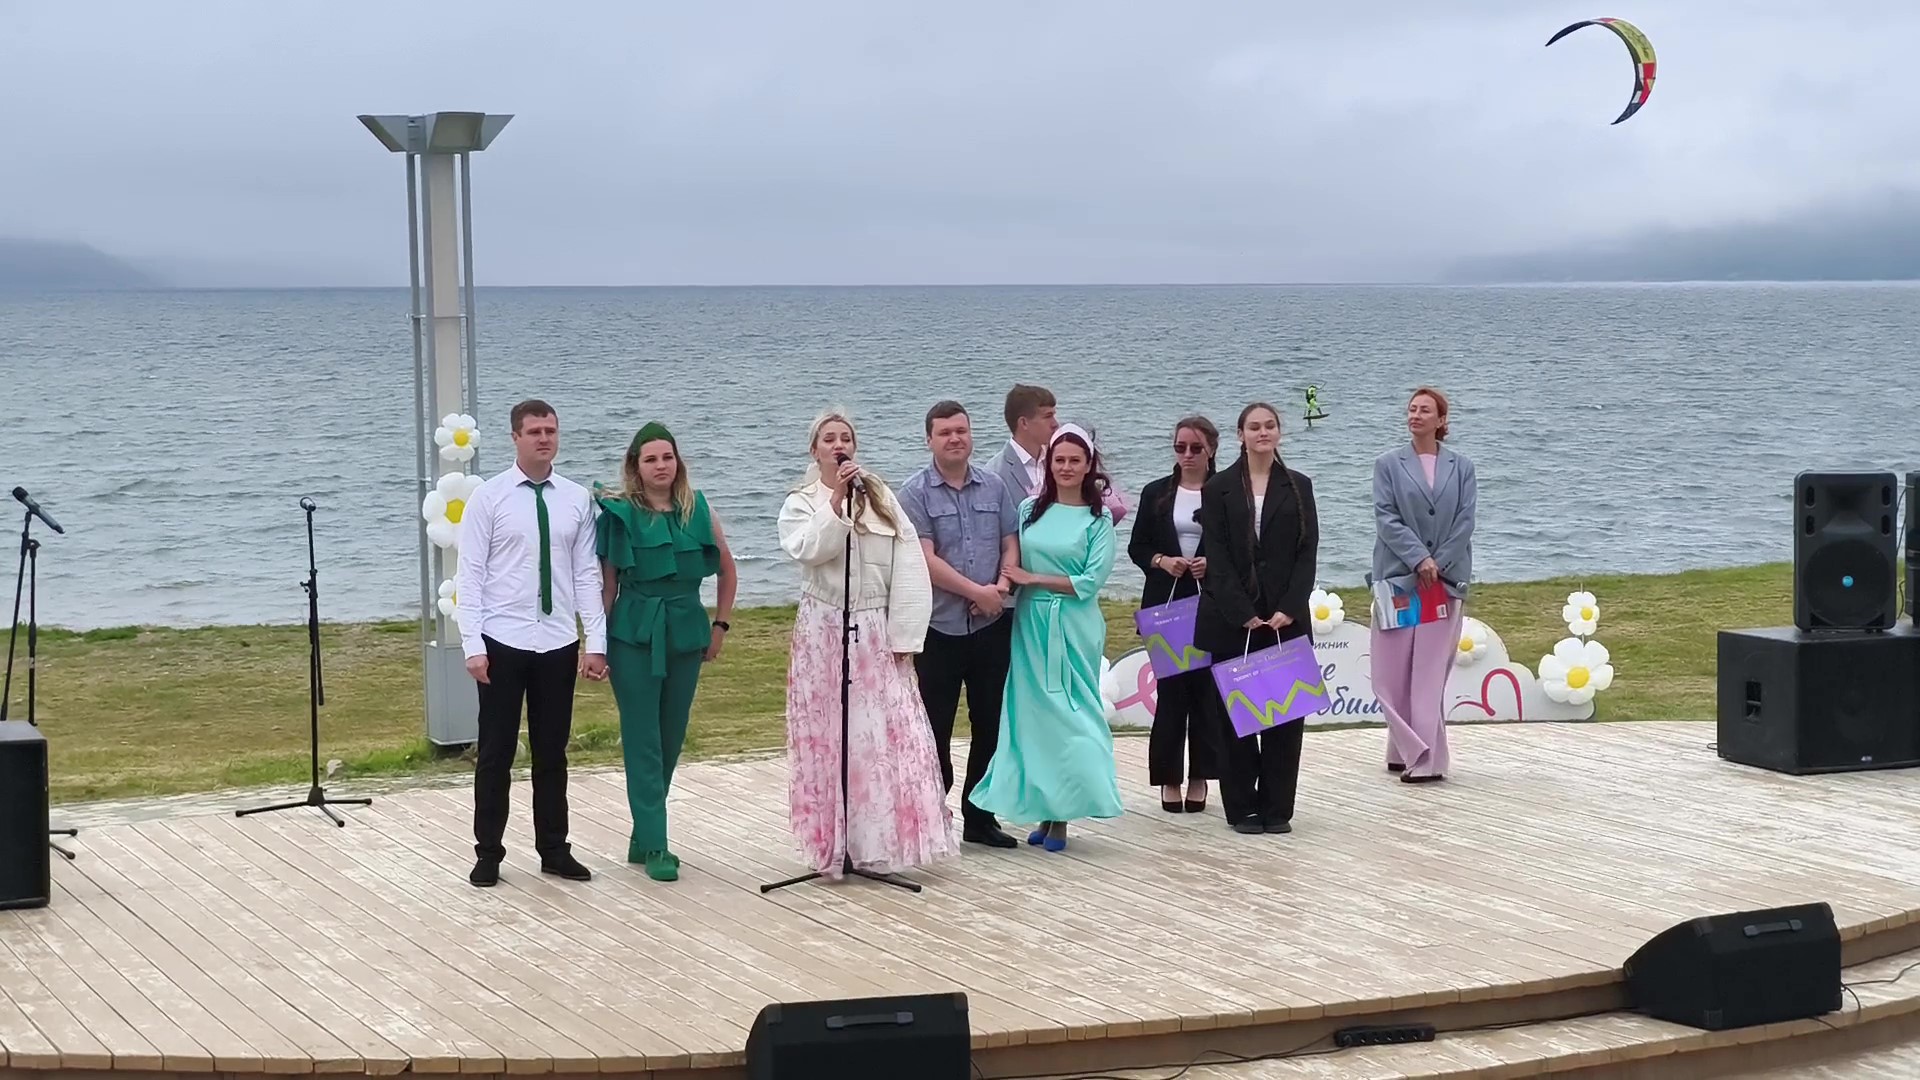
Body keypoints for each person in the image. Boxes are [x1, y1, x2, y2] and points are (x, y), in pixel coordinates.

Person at [777, 410, 957, 877]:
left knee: (878, 735)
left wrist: (906, 633)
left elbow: (909, 563)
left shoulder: (879, 496)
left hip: (874, 626)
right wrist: (837, 500)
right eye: (829, 439)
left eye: (846, 438)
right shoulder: (801, 502)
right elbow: (811, 549)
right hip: (824, 625)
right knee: (832, 735)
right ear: (814, 449)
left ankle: (878, 842)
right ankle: (836, 843)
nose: (839, 445)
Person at [456, 399, 606, 887]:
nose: (544, 438)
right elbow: (470, 575)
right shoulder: (489, 498)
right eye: (535, 431)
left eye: (551, 430)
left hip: (557, 642)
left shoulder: (576, 499)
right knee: (496, 753)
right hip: (503, 640)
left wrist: (596, 640)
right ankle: (488, 853)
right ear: (515, 437)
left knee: (552, 752)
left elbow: (585, 574)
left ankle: (554, 849)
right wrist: (472, 644)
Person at [970, 424, 1124, 852]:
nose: (1067, 467)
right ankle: (1046, 809)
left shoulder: (1098, 519)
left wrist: (1033, 578)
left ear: (1089, 465)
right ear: (1048, 464)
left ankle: (1066, 812)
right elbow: (1010, 562)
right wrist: (994, 591)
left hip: (1073, 625)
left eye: (1075, 460)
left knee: (1073, 716)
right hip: (1031, 626)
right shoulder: (1027, 510)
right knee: (1036, 719)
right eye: (1060, 460)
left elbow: (1089, 581)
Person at [594, 422, 737, 881]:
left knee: (671, 737)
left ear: (678, 462)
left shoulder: (699, 509)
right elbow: (606, 586)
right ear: (636, 466)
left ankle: (643, 833)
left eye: (667, 457)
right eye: (651, 459)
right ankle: (657, 845)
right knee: (643, 740)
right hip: (632, 634)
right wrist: (596, 644)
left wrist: (720, 626)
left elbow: (728, 572)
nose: (661, 466)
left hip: (685, 632)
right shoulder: (618, 514)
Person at [897, 401, 1023, 849]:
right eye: (945, 432)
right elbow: (925, 559)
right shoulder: (914, 494)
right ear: (929, 439)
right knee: (935, 728)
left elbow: (1011, 542)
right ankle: (932, 816)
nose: (955, 438)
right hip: (940, 630)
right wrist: (976, 592)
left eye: (961, 431)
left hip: (991, 626)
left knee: (991, 723)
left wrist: (1000, 588)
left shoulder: (995, 487)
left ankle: (980, 817)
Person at [1193, 402, 1320, 836]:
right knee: (1237, 717)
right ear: (1241, 435)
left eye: (1269, 426)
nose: (1262, 433)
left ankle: (1277, 807)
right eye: (1254, 427)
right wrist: (1243, 612)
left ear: (1279, 432)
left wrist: (1289, 606)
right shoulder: (1219, 488)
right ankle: (1242, 806)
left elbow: (1307, 553)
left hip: (1285, 618)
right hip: (1234, 619)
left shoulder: (1299, 486)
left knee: (1285, 718)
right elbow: (1217, 555)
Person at [1371, 387, 1476, 784]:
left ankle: (1427, 759)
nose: (1415, 415)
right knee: (1389, 675)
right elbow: (1386, 517)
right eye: (1412, 409)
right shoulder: (1388, 464)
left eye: (1425, 410)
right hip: (1398, 580)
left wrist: (1438, 562)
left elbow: (1465, 521)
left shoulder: (1461, 467)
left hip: (1443, 584)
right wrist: (1419, 558)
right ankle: (1402, 748)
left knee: (1429, 674)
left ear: (1441, 420)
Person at [1126, 415, 1221, 813]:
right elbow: (1137, 547)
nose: (1188, 455)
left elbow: (1244, 549)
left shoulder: (1226, 492)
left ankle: (1201, 775)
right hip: (1166, 602)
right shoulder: (1156, 492)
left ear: (1211, 449)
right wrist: (1162, 561)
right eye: (1180, 447)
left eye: (1196, 448)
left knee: (1206, 694)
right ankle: (1168, 777)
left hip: (1211, 602)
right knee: (1170, 695)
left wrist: (1211, 563)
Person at [989, 383, 1058, 499]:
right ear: (1024, 423)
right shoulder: (995, 475)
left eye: (1053, 415)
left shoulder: (1059, 461)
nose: (1055, 424)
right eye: (1047, 416)